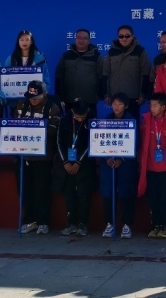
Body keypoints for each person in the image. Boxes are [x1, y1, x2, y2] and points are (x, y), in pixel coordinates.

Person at [13, 80, 62, 236]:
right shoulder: (21, 105)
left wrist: (32, 130)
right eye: (30, 97)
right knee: (24, 190)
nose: (33, 100)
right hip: (23, 156)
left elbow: (53, 131)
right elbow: (13, 126)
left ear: (45, 95)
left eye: (36, 97)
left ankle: (43, 222)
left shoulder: (53, 108)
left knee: (42, 191)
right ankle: (29, 220)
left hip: (43, 157)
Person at [137, 93, 166, 238]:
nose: (152, 108)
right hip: (149, 167)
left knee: (163, 198)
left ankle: (164, 226)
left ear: (163, 107)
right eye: (150, 106)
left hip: (165, 167)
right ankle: (155, 225)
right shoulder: (146, 121)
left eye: (155, 106)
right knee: (152, 198)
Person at [99, 93, 137, 239]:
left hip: (126, 164)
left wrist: (122, 158)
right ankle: (109, 224)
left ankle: (127, 225)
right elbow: (99, 142)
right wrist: (106, 157)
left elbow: (136, 143)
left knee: (126, 194)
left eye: (120, 104)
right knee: (108, 194)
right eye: (114, 103)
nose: (116, 106)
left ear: (126, 106)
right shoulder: (106, 121)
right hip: (108, 164)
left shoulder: (131, 121)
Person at [56, 99, 94, 237]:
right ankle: (71, 223)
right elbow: (59, 142)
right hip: (66, 164)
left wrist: (79, 162)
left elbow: (93, 142)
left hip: (84, 165)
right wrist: (65, 161)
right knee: (69, 194)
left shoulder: (92, 120)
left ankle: (83, 224)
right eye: (77, 117)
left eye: (82, 117)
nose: (80, 119)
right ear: (72, 111)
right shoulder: (64, 120)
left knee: (84, 195)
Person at [103, 25, 150, 119]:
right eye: (121, 36)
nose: (124, 39)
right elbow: (106, 74)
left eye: (127, 36)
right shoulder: (111, 52)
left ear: (132, 36)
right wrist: (106, 94)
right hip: (116, 97)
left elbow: (145, 74)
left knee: (133, 124)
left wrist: (142, 94)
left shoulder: (140, 51)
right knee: (115, 125)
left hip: (133, 97)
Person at [55, 29, 104, 116]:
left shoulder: (97, 56)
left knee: (90, 123)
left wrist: (100, 95)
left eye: (84, 38)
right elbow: (59, 76)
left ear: (89, 40)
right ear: (75, 39)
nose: (81, 40)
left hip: (90, 100)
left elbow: (102, 76)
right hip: (70, 99)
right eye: (79, 38)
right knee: (70, 123)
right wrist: (59, 95)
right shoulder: (66, 56)